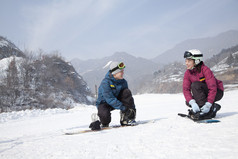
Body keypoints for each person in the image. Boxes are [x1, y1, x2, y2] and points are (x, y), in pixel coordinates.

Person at [89, 61, 136, 130]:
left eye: (123, 71)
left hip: (116, 100)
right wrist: (123, 108)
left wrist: (131, 110)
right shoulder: (105, 83)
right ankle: (102, 121)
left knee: (126, 92)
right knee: (105, 119)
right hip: (104, 103)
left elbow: (127, 97)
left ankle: (126, 119)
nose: (123, 73)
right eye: (121, 71)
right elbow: (109, 99)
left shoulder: (123, 82)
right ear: (115, 73)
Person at [183, 49, 224, 120]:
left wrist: (208, 104)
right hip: (203, 92)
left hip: (217, 92)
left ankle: (207, 111)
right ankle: (210, 107)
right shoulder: (188, 73)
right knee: (188, 101)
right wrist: (192, 103)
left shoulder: (205, 70)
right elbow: (186, 89)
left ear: (197, 61)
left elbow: (212, 88)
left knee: (195, 85)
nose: (186, 63)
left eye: (189, 61)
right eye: (186, 61)